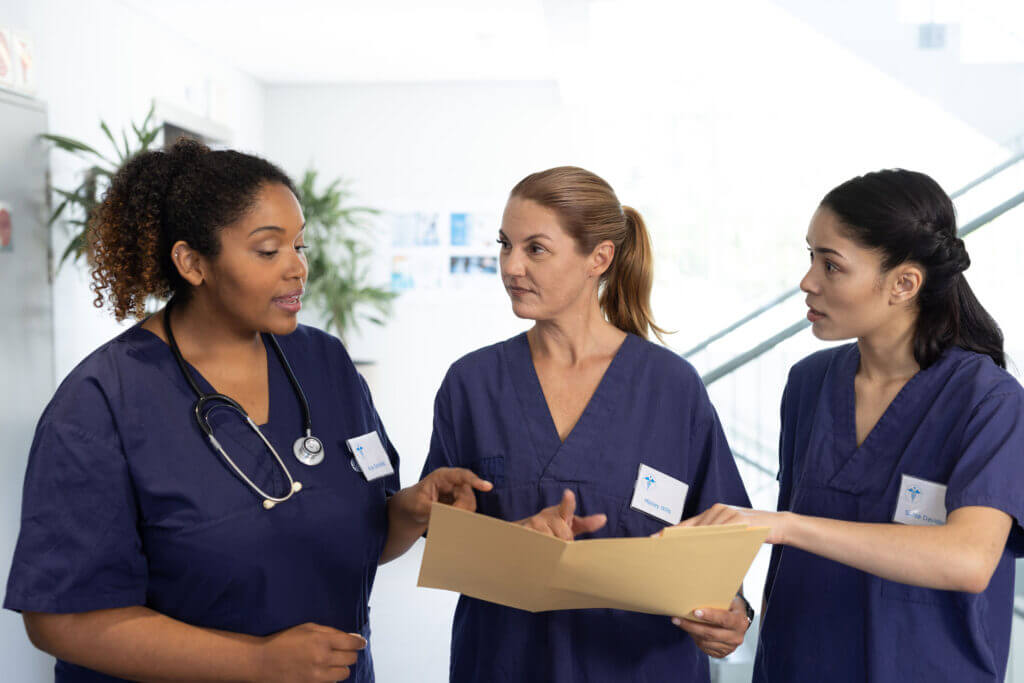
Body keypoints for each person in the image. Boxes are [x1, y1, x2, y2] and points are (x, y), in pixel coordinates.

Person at [4, 138, 490, 682]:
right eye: (268, 250)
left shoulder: (324, 363)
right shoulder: (101, 402)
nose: (297, 270)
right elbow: (60, 619)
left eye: (300, 248)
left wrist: (409, 512)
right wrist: (254, 663)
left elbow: (355, 538)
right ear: (192, 262)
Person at [679, 169, 1024, 682]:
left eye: (832, 265)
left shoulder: (987, 400)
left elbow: (969, 559)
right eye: (810, 257)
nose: (808, 282)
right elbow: (788, 573)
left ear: (904, 284)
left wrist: (785, 527)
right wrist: (737, 614)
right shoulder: (809, 385)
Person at [420, 166, 754, 682]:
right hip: (506, 662)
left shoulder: (670, 387)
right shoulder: (473, 383)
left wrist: (731, 610)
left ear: (599, 258)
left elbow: (721, 536)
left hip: (642, 666)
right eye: (505, 245)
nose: (511, 266)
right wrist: (514, 543)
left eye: (536, 249)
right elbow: (436, 533)